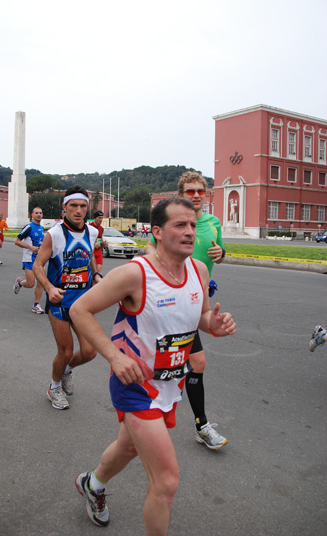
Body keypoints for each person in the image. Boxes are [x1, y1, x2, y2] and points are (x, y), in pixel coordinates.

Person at [71, 197, 236, 533]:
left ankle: (93, 484)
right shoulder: (135, 273)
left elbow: (200, 315)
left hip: (170, 383)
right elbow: (80, 310)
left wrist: (212, 324)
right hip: (136, 386)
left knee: (128, 446)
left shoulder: (198, 270)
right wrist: (114, 356)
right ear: (157, 232)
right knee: (166, 482)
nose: (190, 232)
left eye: (192, 225)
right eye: (180, 225)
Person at [146, 171, 227, 449]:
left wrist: (222, 254)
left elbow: (218, 250)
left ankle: (162, 414)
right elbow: (151, 249)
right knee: (189, 362)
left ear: (206, 194)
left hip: (197, 299)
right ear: (181, 194)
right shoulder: (174, 221)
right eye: (189, 191)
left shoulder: (213, 222)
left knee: (189, 362)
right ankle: (198, 424)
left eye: (200, 191)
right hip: (172, 301)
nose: (195, 195)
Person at [33, 186, 102, 410]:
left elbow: (89, 256)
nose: (78, 210)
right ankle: (54, 387)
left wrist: (97, 275)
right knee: (66, 351)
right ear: (64, 207)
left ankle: (66, 371)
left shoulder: (92, 232)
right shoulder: (54, 234)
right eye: (73, 206)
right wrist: (49, 288)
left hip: (82, 303)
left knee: (90, 351)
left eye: (83, 206)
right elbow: (37, 265)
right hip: (60, 300)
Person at [13, 207, 46, 314]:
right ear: (32, 215)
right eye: (36, 213)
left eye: (40, 213)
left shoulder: (41, 228)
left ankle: (36, 304)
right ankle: (19, 283)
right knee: (31, 283)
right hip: (29, 259)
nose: (39, 215)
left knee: (41, 282)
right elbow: (17, 241)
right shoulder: (28, 227)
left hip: (40, 260)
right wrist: (30, 247)